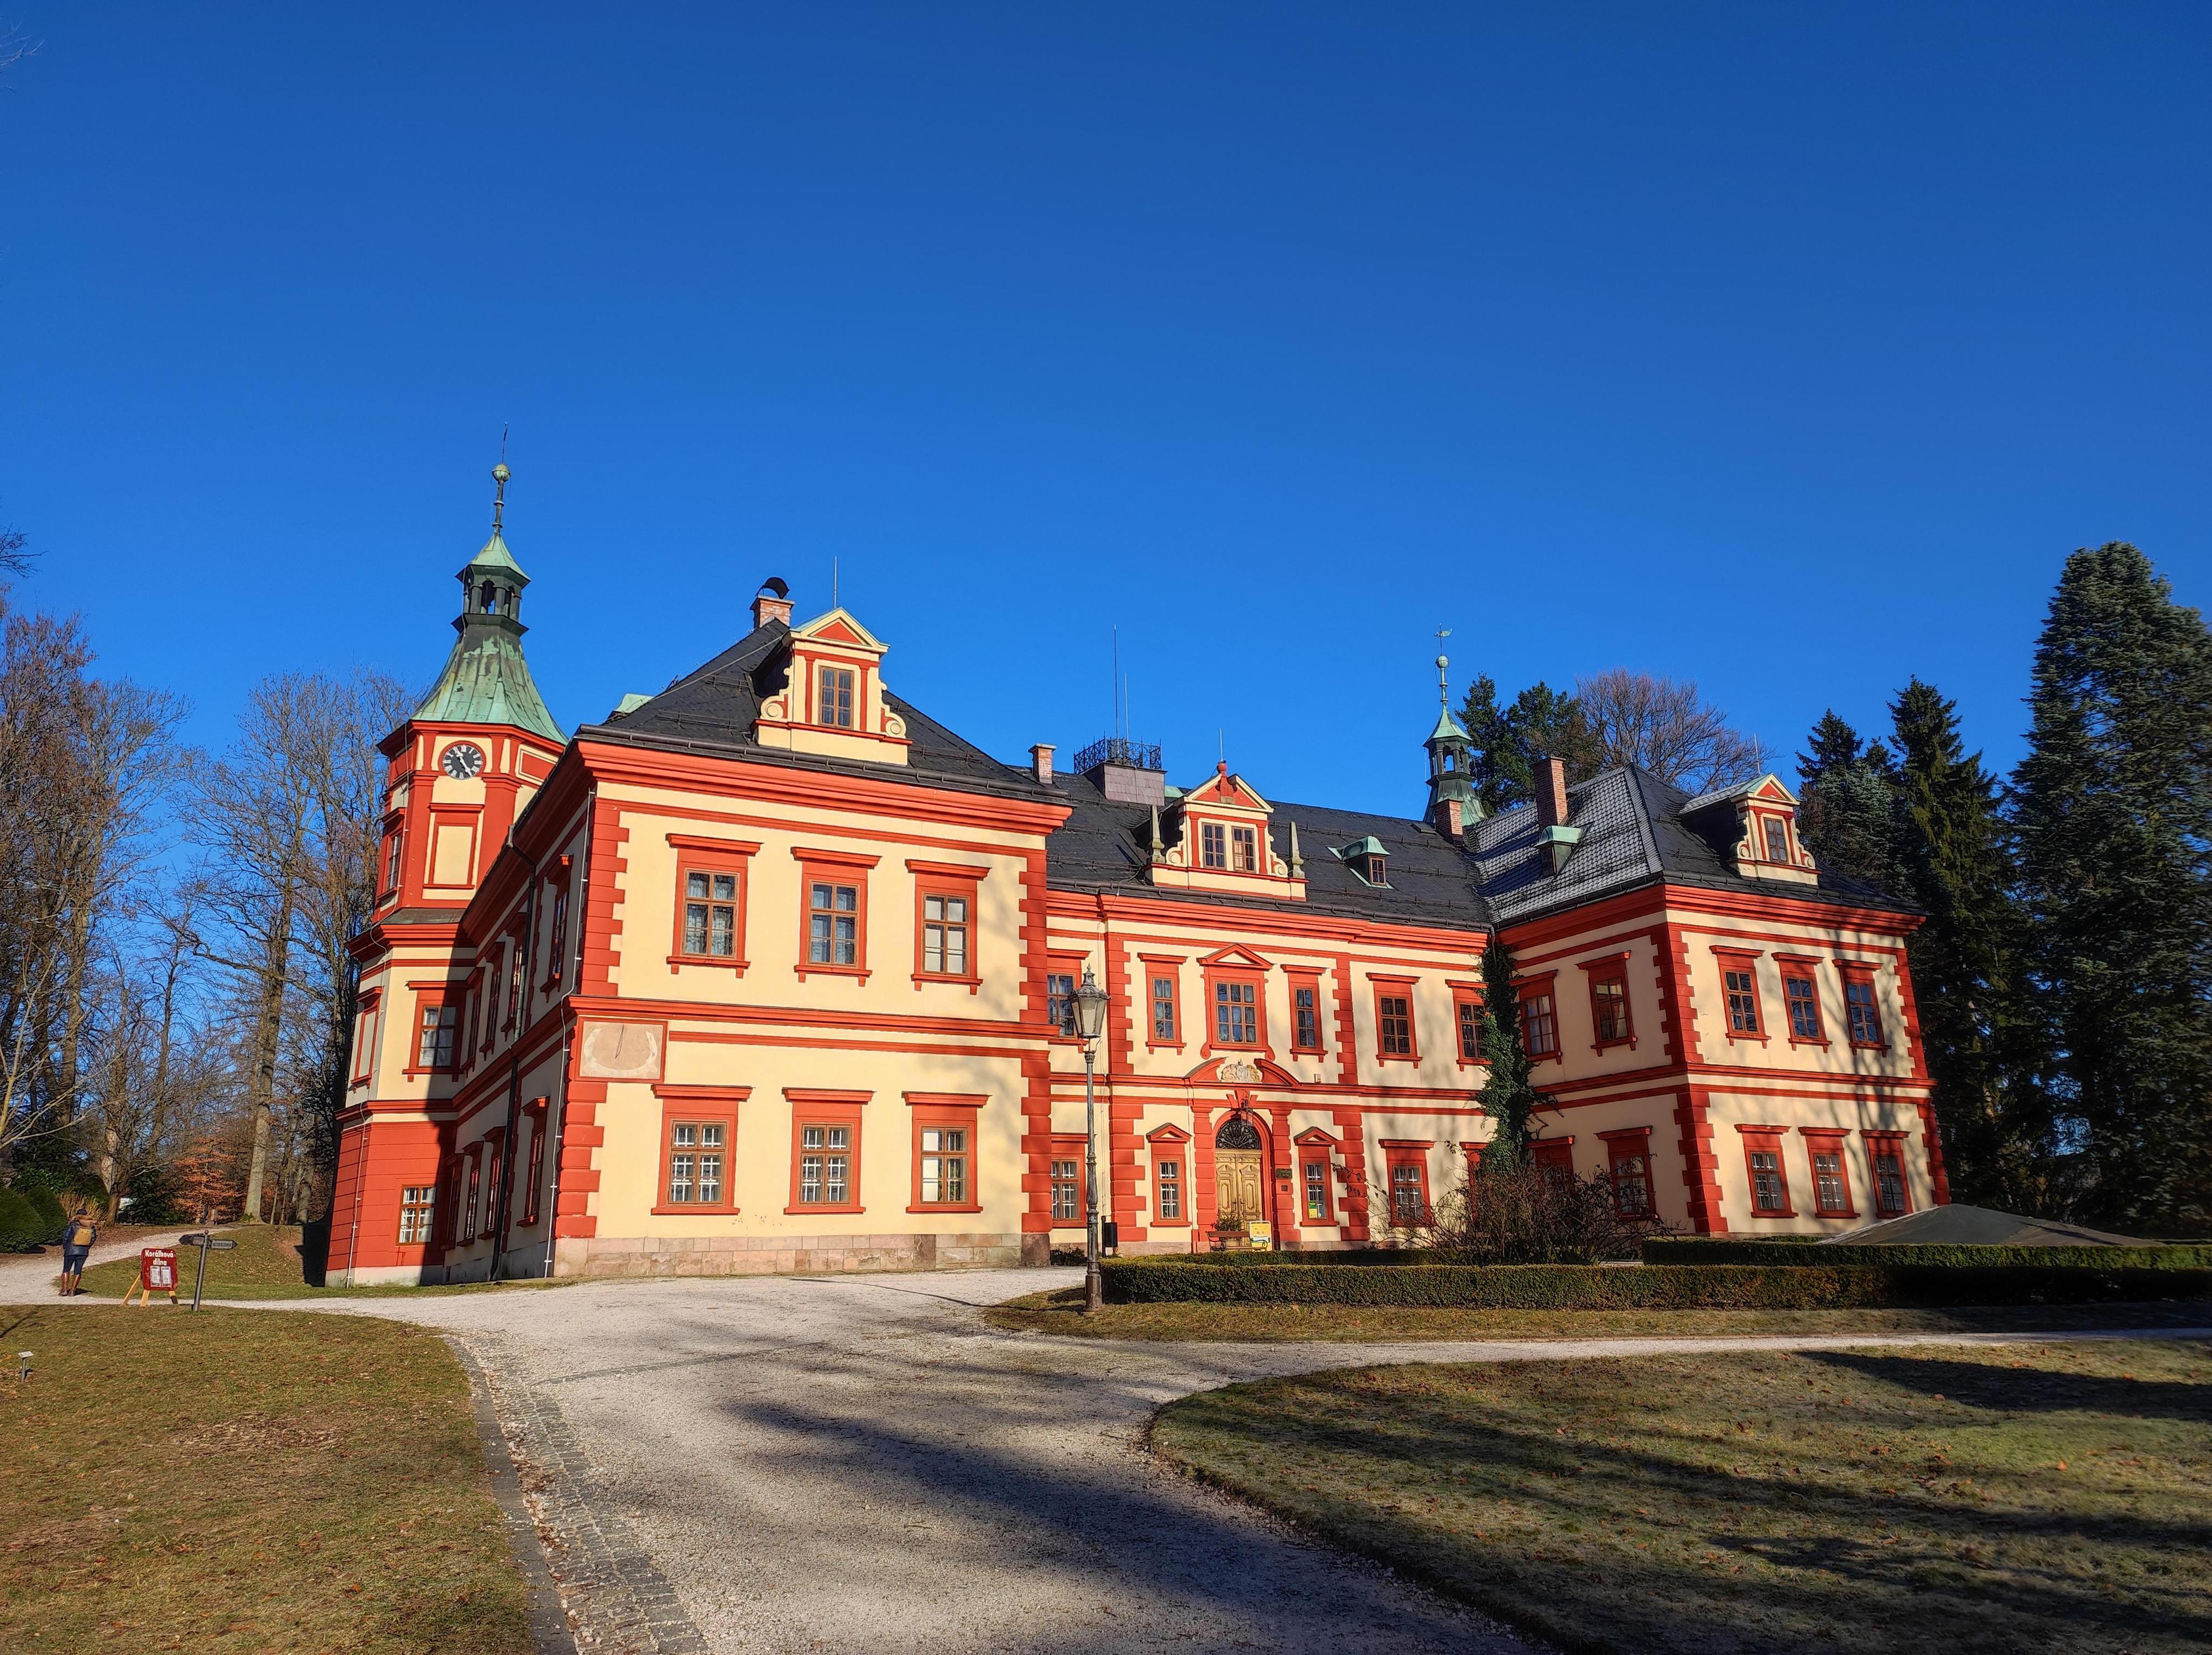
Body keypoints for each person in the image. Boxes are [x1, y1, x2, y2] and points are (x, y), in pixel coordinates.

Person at [58, 1208, 98, 1297]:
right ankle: (73, 1291)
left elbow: (66, 1237)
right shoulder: (91, 1226)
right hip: (83, 1251)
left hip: (71, 1250)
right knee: (78, 1271)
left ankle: (64, 1289)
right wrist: (87, 1247)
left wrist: (65, 1246)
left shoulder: (73, 1225)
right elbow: (94, 1238)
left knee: (66, 1269)